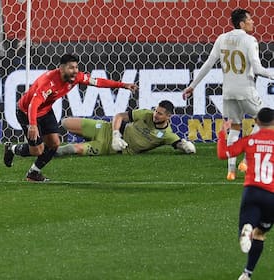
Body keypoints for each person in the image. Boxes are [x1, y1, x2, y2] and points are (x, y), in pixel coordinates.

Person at [3, 54, 138, 182]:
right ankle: (12, 149)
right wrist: (32, 125)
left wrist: (123, 85)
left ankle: (33, 173)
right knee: (37, 150)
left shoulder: (77, 77)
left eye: (76, 67)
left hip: (45, 111)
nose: (75, 71)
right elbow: (34, 104)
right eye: (71, 67)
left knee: (54, 144)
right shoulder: (48, 82)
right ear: (61, 68)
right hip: (27, 112)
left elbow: (98, 82)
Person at [183, 8, 274, 181]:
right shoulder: (250, 40)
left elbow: (208, 64)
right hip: (246, 90)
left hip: (228, 92)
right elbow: (257, 69)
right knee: (264, 122)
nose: (252, 22)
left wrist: (192, 85)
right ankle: (246, 160)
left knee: (234, 128)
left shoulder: (221, 38)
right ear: (241, 23)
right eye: (250, 19)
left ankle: (231, 171)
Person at [217, 108, 274, 280]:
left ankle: (246, 228)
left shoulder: (249, 141)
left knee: (247, 227)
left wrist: (221, 133)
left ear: (256, 122)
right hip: (271, 195)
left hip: (252, 191)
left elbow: (223, 154)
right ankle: (247, 273)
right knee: (260, 234)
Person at [56, 100, 196, 156]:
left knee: (69, 149)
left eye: (160, 114)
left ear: (168, 117)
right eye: (156, 111)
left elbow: (178, 143)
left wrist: (186, 147)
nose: (155, 115)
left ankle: (41, 152)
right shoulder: (145, 114)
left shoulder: (167, 135)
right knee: (65, 122)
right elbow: (119, 116)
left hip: (107, 147)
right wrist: (116, 135)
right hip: (106, 129)